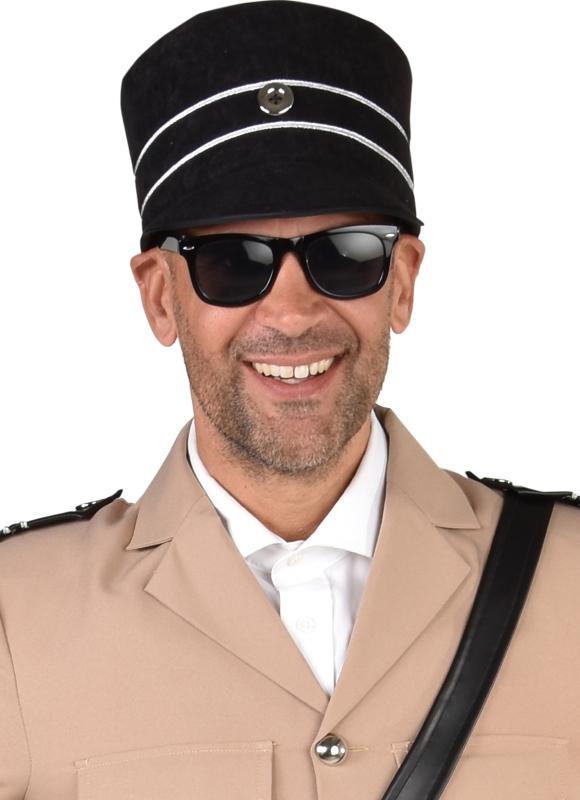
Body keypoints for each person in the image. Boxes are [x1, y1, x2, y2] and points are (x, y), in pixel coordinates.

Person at [1, 2, 578, 798]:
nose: (294, 313)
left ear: (402, 282)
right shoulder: (16, 619)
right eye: (233, 264)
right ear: (161, 299)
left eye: (346, 255)